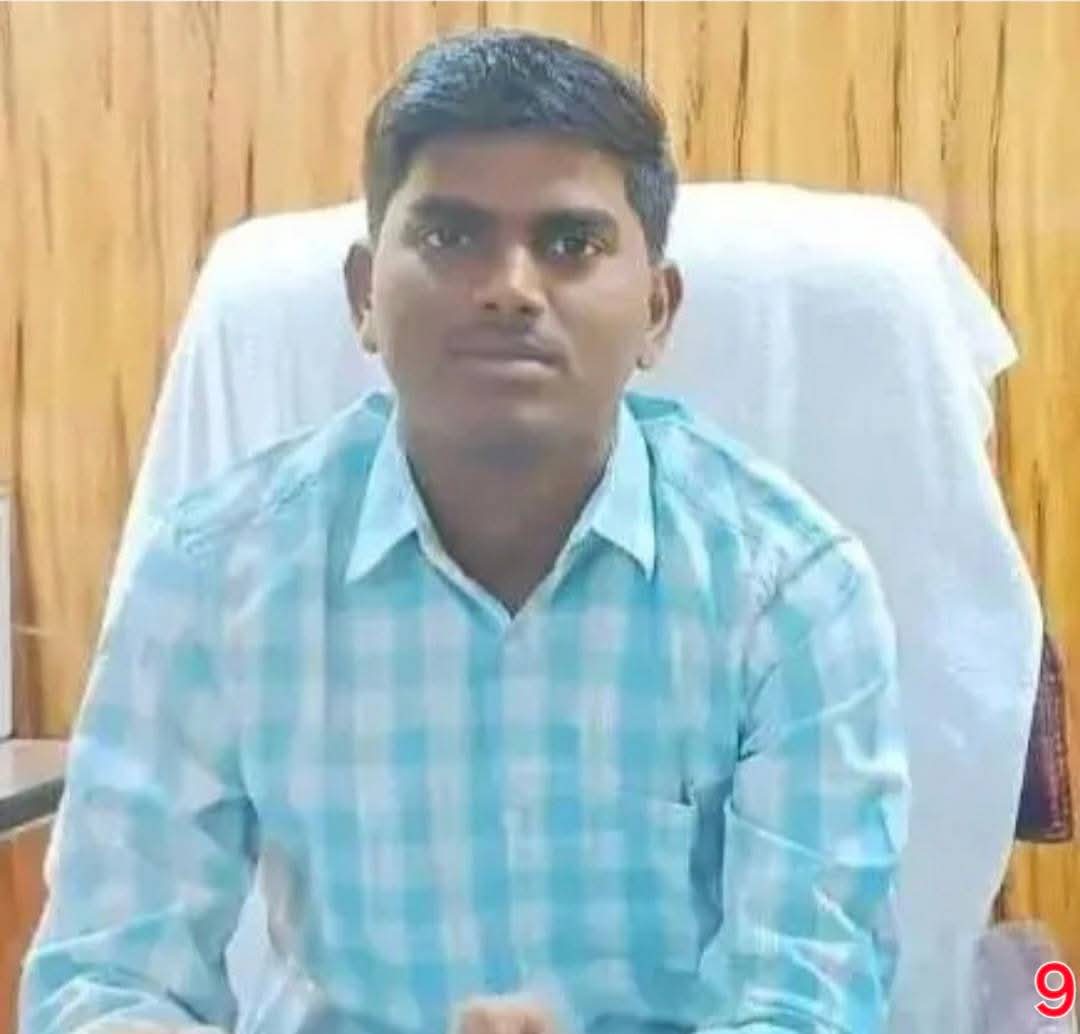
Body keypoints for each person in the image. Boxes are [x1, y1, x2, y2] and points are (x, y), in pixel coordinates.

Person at [20, 28, 909, 1034]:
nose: (510, 287)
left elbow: (806, 1001)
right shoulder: (212, 576)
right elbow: (105, 982)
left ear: (657, 312)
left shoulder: (791, 593)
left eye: (570, 244)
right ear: (364, 295)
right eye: (450, 237)